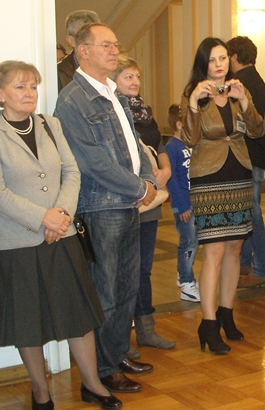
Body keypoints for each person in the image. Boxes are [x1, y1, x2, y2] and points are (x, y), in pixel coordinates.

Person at [0, 61, 121, 410]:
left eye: (33, 86)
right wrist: (44, 218)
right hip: (16, 243)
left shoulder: (50, 125)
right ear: (0, 94)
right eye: (20, 87)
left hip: (62, 236)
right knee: (27, 322)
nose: (30, 93)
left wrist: (61, 216)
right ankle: (40, 391)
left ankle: (92, 384)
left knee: (78, 316)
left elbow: (71, 172)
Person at [54, 22, 157, 393]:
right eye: (106, 45)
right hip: (101, 207)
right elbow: (91, 161)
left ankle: (116, 353)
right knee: (107, 292)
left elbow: (133, 145)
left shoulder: (113, 92)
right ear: (82, 51)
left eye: (116, 45)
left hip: (126, 202)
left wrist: (148, 180)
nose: (115, 51)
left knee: (126, 287)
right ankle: (101, 370)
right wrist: (139, 187)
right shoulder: (73, 100)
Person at [180, 37, 264, 354]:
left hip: (239, 173)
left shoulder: (238, 90)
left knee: (235, 248)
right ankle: (209, 322)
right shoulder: (194, 94)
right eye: (213, 59)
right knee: (214, 251)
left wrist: (245, 102)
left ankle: (227, 313)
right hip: (209, 177)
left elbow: (257, 131)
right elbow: (189, 139)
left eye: (224, 58)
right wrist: (193, 103)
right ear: (204, 63)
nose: (219, 64)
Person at [110, 55, 177, 353]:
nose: (135, 81)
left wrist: (166, 169)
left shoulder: (144, 112)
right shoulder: (110, 112)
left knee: (143, 269)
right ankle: (120, 337)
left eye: (137, 76)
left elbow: (157, 143)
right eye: (128, 76)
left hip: (150, 202)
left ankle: (147, 329)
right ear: (113, 80)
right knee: (123, 271)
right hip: (126, 201)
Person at [227, 36, 265, 289]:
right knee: (246, 211)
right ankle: (244, 263)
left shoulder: (240, 84)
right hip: (258, 154)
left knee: (251, 213)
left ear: (234, 57)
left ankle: (260, 268)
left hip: (248, 155)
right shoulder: (259, 81)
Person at [165, 104, 201, 303]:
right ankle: (187, 282)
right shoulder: (172, 147)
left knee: (193, 241)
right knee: (188, 242)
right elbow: (172, 180)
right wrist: (182, 206)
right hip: (184, 205)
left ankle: (183, 272)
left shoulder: (190, 145)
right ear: (179, 125)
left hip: (194, 201)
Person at [57, 10, 100, 92]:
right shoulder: (59, 75)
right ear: (71, 41)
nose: (92, 42)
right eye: (84, 37)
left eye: (95, 37)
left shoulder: (110, 66)